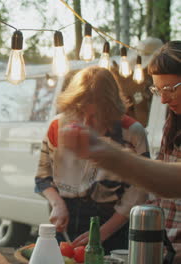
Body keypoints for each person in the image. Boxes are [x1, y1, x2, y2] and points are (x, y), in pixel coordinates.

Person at [61, 41, 181, 262]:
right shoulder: (172, 126)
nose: (163, 99)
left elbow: (172, 181)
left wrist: (108, 154)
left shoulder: (131, 131)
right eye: (157, 90)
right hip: (167, 245)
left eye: (170, 89)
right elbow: (160, 194)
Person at [34, 66, 148, 253]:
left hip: (113, 223)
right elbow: (43, 176)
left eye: (96, 116)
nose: (87, 123)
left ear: (111, 110)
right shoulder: (57, 125)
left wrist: (102, 232)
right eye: (80, 113)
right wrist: (57, 204)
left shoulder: (133, 133)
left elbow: (139, 194)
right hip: (66, 216)